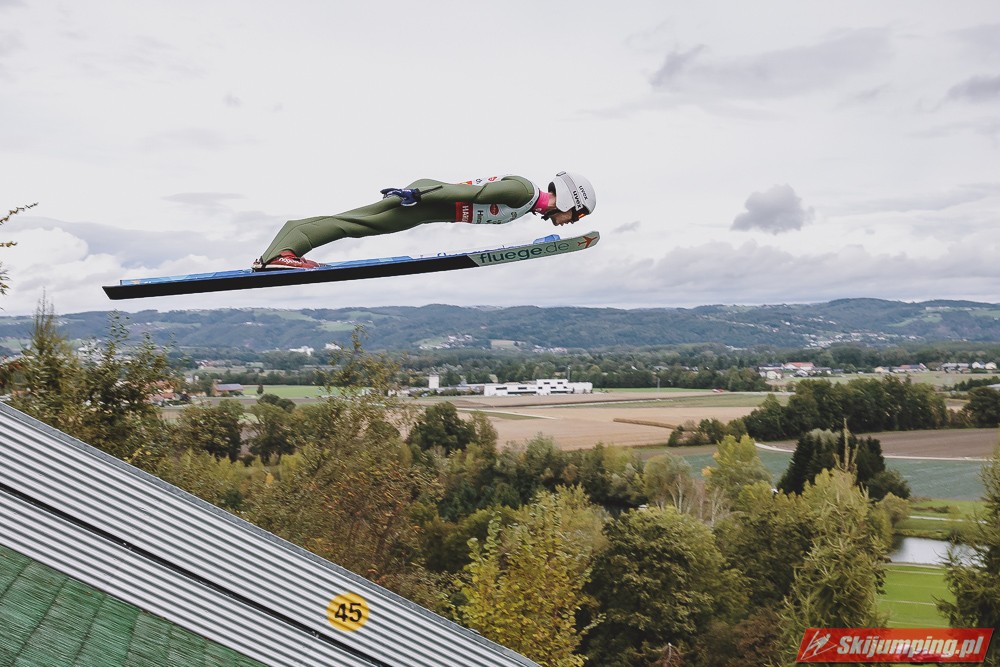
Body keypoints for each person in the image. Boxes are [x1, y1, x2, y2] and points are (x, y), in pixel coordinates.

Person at [252, 171, 596, 270]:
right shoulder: (523, 191)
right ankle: (283, 255)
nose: (572, 221)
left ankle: (279, 250)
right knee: (356, 225)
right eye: (577, 214)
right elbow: (470, 193)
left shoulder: (526, 201)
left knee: (352, 221)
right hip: (424, 201)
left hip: (425, 203)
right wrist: (419, 195)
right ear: (570, 199)